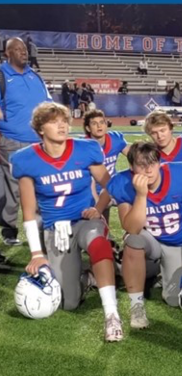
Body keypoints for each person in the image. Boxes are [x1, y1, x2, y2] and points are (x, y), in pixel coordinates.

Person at [11, 102, 123, 342]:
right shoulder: (27, 159)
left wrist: (98, 208)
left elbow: (110, 185)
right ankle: (90, 277)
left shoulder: (85, 149)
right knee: (68, 302)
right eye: (53, 121)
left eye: (64, 121)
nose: (61, 125)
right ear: (40, 129)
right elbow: (28, 212)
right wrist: (36, 253)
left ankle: (112, 314)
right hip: (55, 228)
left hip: (85, 220)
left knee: (97, 242)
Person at [107, 141, 182, 328]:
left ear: (160, 162)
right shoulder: (123, 182)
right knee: (133, 241)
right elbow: (132, 228)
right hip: (150, 240)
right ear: (131, 166)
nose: (148, 170)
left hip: (180, 241)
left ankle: (158, 273)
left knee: (174, 300)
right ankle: (137, 305)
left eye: (152, 163)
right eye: (141, 165)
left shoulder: (181, 174)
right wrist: (141, 196)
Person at [0, 37, 53, 246]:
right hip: (12, 141)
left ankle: (41, 226)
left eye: (24, 48)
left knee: (42, 184)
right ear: (7, 54)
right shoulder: (2, 76)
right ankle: (9, 230)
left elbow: (48, 104)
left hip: (38, 141)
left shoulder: (35, 76)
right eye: (17, 49)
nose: (23, 52)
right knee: (13, 187)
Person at [84, 109, 130, 219]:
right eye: (94, 124)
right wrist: (97, 202)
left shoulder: (115, 139)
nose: (99, 126)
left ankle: (133, 233)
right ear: (88, 128)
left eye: (102, 122)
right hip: (94, 189)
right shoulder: (84, 146)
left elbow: (135, 157)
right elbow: (89, 180)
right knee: (98, 220)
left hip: (113, 185)